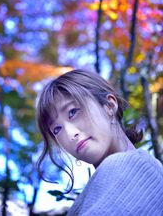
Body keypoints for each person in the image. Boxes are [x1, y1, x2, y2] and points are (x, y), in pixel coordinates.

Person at [36, 69, 163, 215]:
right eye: (57, 129)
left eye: (73, 112)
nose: (70, 134)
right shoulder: (98, 187)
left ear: (109, 105)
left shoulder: (134, 164)